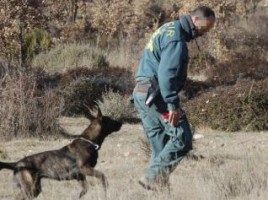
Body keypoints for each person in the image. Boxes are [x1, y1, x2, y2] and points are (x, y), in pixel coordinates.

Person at [132, 6, 216, 190]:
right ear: (195, 20)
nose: (204, 33)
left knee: (160, 145)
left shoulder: (167, 28)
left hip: (141, 92)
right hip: (156, 95)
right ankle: (152, 177)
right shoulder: (176, 38)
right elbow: (166, 74)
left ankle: (159, 191)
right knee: (182, 137)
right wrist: (172, 105)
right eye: (205, 28)